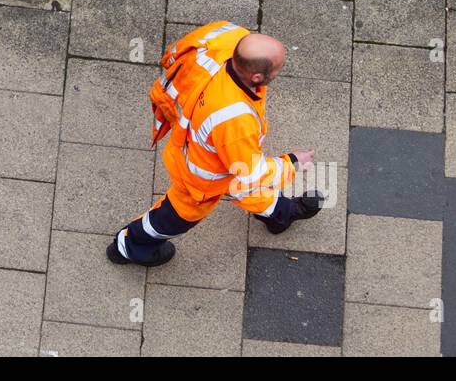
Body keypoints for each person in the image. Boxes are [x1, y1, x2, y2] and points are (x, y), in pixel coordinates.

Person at [108, 20, 324, 267]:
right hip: (202, 177)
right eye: (277, 69)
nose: (279, 72)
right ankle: (129, 246)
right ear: (257, 76)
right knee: (178, 216)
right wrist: (293, 163)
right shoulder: (235, 121)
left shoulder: (228, 39)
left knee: (242, 187)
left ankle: (281, 215)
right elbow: (250, 172)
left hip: (206, 146)